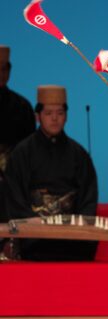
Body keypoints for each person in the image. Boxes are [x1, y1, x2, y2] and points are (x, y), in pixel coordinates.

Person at [4, 85, 98, 261]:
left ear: (66, 116)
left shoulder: (79, 155)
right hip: (33, 239)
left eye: (60, 113)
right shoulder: (22, 153)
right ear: (37, 116)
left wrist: (77, 228)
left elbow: (88, 199)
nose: (54, 119)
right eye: (48, 113)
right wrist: (37, 228)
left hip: (71, 238)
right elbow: (15, 196)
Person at [0, 45, 36, 222]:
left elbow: (31, 156)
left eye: (4, 68)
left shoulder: (22, 107)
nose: (1, 73)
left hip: (13, 195)